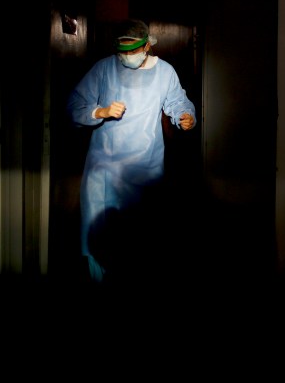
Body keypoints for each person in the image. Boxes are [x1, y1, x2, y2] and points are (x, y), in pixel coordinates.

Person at [67, 19, 197, 285]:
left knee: (139, 238)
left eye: (133, 50)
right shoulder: (104, 68)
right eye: (122, 51)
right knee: (99, 237)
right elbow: (74, 105)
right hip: (104, 167)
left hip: (144, 166)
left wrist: (185, 116)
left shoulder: (164, 72)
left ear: (147, 46)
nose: (127, 56)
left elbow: (177, 101)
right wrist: (99, 112)